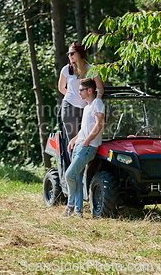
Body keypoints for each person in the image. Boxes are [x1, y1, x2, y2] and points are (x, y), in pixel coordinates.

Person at [58, 43, 104, 169]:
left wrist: (96, 101)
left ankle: (87, 174)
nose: (69, 56)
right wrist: (73, 95)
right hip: (70, 108)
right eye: (68, 54)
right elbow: (61, 88)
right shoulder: (66, 70)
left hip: (87, 109)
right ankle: (71, 175)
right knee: (73, 141)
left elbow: (100, 88)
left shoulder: (91, 69)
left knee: (87, 138)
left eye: (72, 53)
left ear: (80, 54)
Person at [64, 78, 105, 217]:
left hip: (87, 147)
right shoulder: (87, 107)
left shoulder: (97, 103)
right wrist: (74, 140)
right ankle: (77, 211)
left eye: (81, 89)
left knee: (69, 175)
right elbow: (84, 129)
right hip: (79, 145)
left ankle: (70, 204)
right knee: (76, 178)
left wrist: (86, 141)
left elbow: (99, 124)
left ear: (89, 90)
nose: (79, 92)